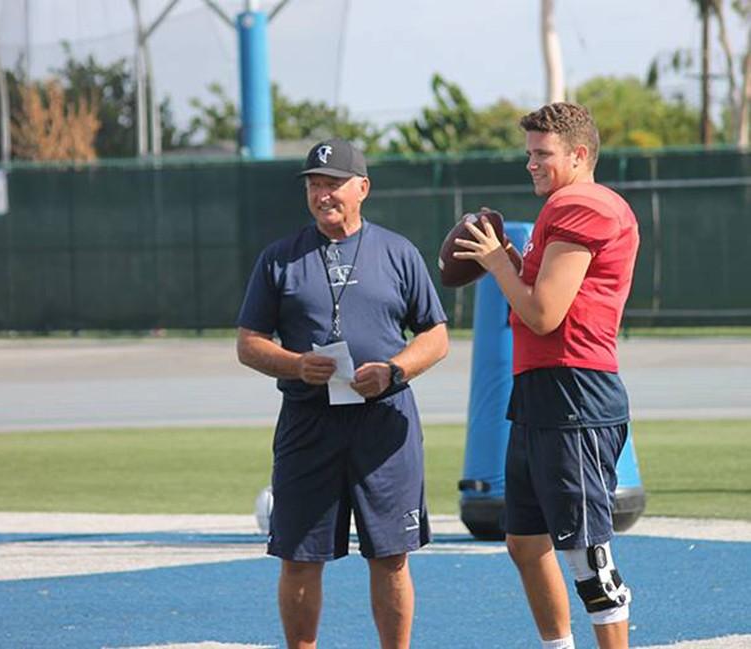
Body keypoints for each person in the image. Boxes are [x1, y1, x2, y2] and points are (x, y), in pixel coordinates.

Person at [236, 138, 448, 649]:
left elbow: (436, 337)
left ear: (363, 188)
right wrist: (296, 365)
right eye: (313, 184)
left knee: (391, 555)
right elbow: (248, 344)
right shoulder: (279, 259)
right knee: (299, 555)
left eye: (332, 183)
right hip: (309, 423)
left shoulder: (398, 252)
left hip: (383, 423)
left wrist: (394, 371)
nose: (322, 193)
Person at [453, 103, 639, 649]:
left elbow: (542, 313)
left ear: (579, 155)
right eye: (528, 153)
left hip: (574, 391)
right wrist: (510, 254)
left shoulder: (583, 204)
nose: (530, 164)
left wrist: (498, 263)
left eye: (542, 154)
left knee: (586, 551)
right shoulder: (560, 208)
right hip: (540, 389)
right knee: (524, 540)